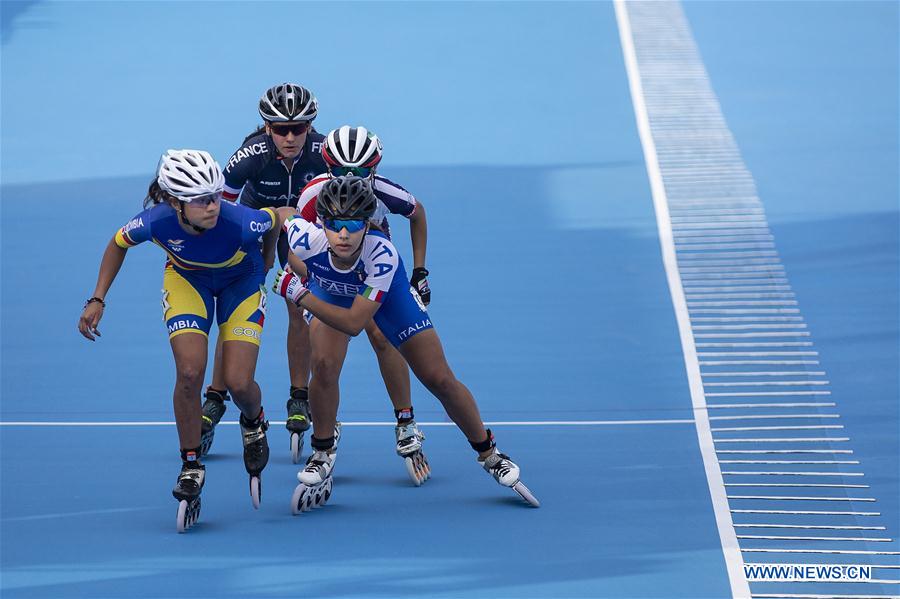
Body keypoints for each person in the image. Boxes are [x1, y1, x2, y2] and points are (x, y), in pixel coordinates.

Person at [274, 176, 539, 510]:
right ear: (322, 222)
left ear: (367, 223)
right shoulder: (304, 236)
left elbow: (355, 324)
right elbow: (280, 215)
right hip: (330, 289)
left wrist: (301, 294)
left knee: (438, 378)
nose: (344, 234)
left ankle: (490, 453)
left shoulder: (381, 254)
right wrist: (279, 267)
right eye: (336, 224)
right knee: (324, 366)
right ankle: (322, 452)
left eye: (354, 224)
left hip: (388, 296)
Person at [77, 149, 281, 531]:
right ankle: (191, 465)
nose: (214, 206)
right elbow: (117, 243)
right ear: (175, 202)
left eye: (217, 196)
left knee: (238, 383)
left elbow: (277, 219)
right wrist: (97, 297)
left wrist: (268, 261)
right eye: (202, 200)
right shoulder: (154, 222)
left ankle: (254, 420)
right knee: (189, 374)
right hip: (189, 281)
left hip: (242, 282)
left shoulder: (239, 222)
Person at [295, 125, 432, 483]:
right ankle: (323, 444)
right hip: (330, 275)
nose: (351, 178)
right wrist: (307, 281)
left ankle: (406, 421)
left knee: (383, 338)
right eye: (341, 171)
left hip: (373, 269)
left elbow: (417, 214)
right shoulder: (311, 196)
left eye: (361, 172)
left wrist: (420, 270)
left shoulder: (385, 191)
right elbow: (295, 240)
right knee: (323, 361)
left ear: (375, 169)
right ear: (328, 168)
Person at [200, 83, 327, 460]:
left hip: (306, 227)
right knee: (236, 305)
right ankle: (215, 396)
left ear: (310, 127)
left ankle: (299, 398)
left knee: (300, 304)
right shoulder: (249, 156)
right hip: (257, 223)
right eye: (280, 129)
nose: (289, 136)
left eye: (298, 128)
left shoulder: (324, 154)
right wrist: (264, 237)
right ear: (266, 128)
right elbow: (221, 210)